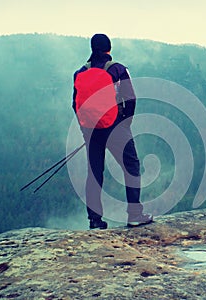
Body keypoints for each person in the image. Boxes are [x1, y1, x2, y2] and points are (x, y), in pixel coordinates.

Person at [72, 34, 153, 229]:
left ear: (92, 49)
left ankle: (94, 220)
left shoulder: (80, 73)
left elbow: (75, 105)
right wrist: (125, 124)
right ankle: (134, 214)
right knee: (131, 167)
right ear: (109, 49)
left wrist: (85, 128)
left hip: (92, 130)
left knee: (95, 173)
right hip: (117, 127)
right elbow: (130, 99)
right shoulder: (118, 69)